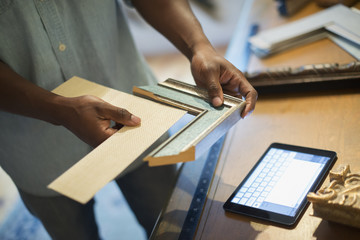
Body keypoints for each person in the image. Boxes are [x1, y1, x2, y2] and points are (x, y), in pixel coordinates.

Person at [0, 0, 257, 239]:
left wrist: (199, 46)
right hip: (32, 145)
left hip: (134, 116)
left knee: (174, 228)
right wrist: (56, 109)